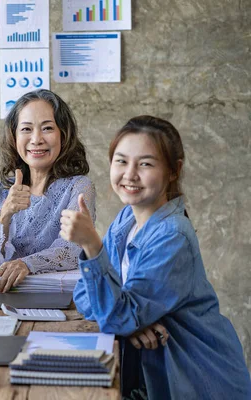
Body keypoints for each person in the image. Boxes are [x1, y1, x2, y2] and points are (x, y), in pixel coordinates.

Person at [60, 115, 251, 399]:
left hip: (198, 378)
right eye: (121, 161)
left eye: (146, 163)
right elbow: (86, 299)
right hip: (152, 373)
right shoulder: (127, 219)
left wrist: (91, 245)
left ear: (174, 171)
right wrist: (131, 323)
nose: (130, 174)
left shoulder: (172, 236)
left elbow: (115, 312)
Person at [0, 89, 95, 293]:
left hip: (59, 296)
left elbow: (72, 249)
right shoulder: (0, 190)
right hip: (7, 295)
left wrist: (26, 264)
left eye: (47, 128)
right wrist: (5, 214)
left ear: (63, 134)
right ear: (14, 136)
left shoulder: (78, 186)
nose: (36, 139)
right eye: (26, 129)